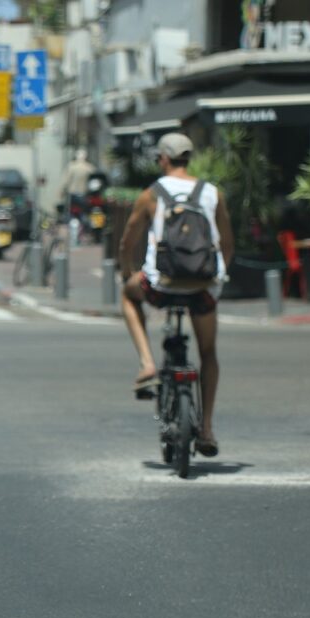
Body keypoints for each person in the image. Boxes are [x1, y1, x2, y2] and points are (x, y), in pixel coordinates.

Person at [119, 132, 234, 457]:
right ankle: (208, 429)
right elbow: (227, 243)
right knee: (208, 353)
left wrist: (128, 271)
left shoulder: (151, 194)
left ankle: (147, 365)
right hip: (202, 289)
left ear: (164, 159)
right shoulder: (213, 193)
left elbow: (128, 240)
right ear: (189, 158)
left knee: (127, 296)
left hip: (161, 287)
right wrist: (218, 276)